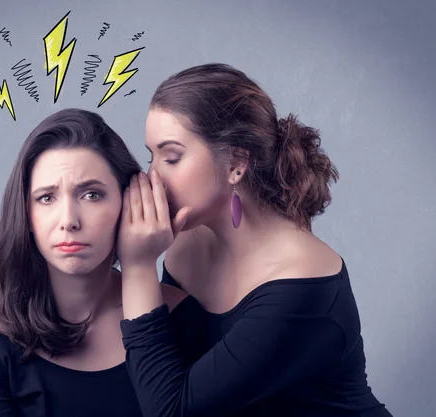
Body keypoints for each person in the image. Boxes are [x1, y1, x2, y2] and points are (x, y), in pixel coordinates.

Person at [116, 64, 393, 417]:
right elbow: (163, 366)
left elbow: (172, 410)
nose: (154, 176)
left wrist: (138, 267)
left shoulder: (303, 285)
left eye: (171, 157)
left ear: (236, 162)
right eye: (150, 156)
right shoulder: (187, 242)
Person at [0, 108, 201, 417]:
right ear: (27, 215)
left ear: (129, 203)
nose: (69, 221)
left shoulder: (181, 315)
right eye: (46, 198)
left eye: (91, 195)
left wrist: (140, 264)